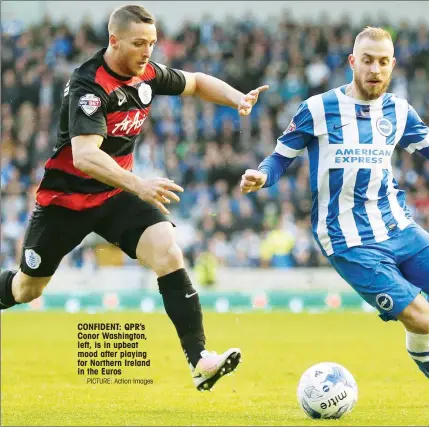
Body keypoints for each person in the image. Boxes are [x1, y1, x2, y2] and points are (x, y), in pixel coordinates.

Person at [0, 4, 268, 392]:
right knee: (27, 289)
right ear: (114, 40)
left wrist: (237, 98)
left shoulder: (147, 74)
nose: (148, 52)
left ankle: (200, 361)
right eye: (139, 43)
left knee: (168, 252)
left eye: (153, 43)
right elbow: (85, 156)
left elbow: (193, 82)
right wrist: (139, 183)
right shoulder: (88, 85)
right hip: (66, 202)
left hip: (115, 194)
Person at [240, 26, 429, 408]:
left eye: (383, 62)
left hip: (397, 224)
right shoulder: (317, 109)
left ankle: (427, 332)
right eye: (367, 60)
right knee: (419, 316)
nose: (375, 69)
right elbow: (280, 158)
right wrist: (262, 176)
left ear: (392, 65)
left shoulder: (399, 110)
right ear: (353, 62)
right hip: (346, 239)